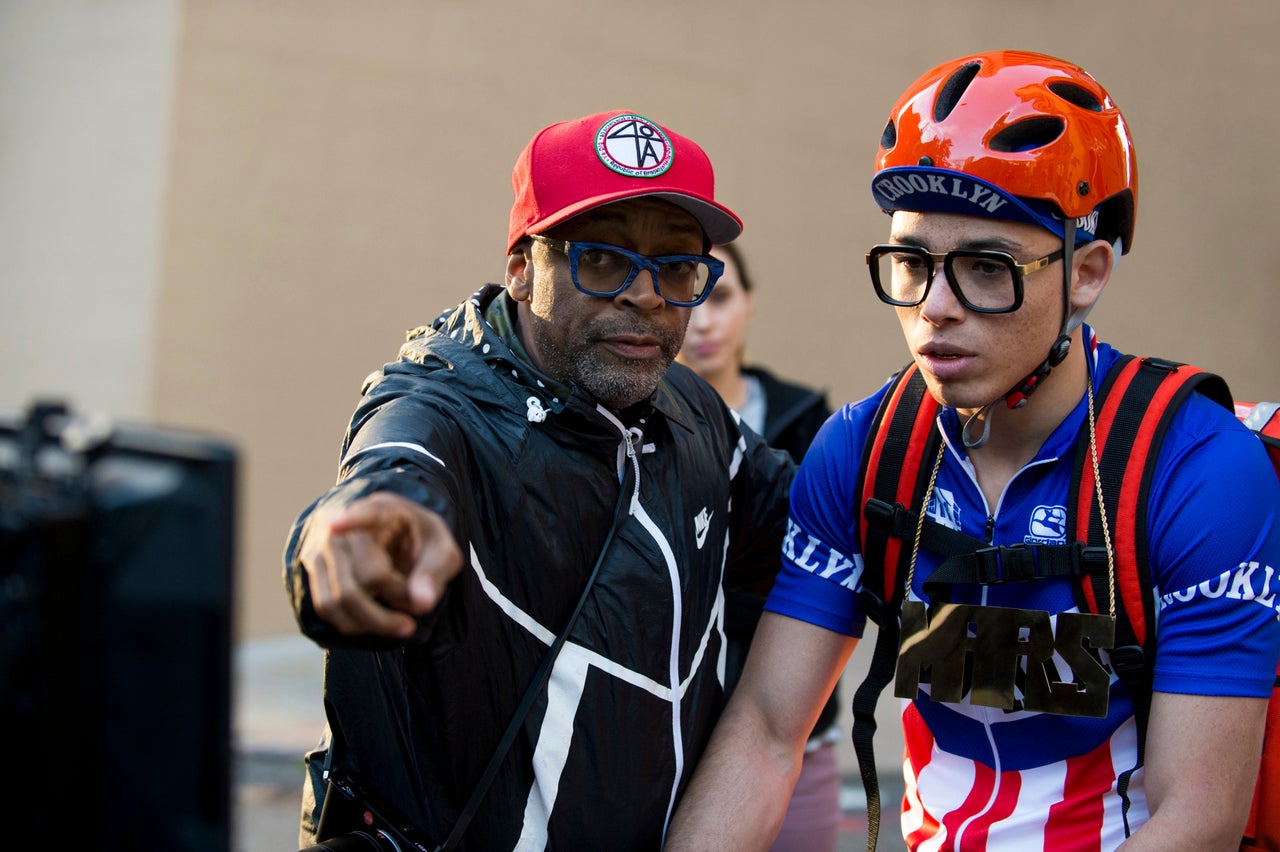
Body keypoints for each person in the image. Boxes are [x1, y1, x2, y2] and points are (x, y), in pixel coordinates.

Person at [666, 50, 1280, 850]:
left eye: (987, 268)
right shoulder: (864, 451)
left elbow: (1196, 817)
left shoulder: (1197, 471)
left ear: (1088, 271)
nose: (935, 309)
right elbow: (768, 728)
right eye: (912, 262)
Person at [282, 109, 796, 851]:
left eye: (678, 267)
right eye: (603, 260)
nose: (647, 294)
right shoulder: (443, 405)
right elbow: (393, 470)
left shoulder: (692, 409)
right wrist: (354, 533)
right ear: (522, 268)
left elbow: (814, 519)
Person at [676, 242, 841, 852]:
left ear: (747, 303)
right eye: (688, 299)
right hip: (672, 739)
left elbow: (820, 575)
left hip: (796, 736)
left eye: (719, 297)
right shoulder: (633, 434)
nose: (704, 322)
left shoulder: (805, 421)